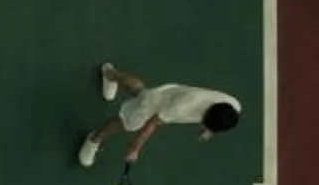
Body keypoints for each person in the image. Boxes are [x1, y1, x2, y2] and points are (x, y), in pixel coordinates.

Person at [79, 62, 242, 170]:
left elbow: (217, 121)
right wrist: (135, 148)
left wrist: (209, 129)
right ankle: (94, 139)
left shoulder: (233, 105)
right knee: (128, 123)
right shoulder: (183, 107)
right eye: (205, 123)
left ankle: (109, 73)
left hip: (173, 93)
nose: (203, 126)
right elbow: (152, 123)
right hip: (157, 104)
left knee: (141, 92)